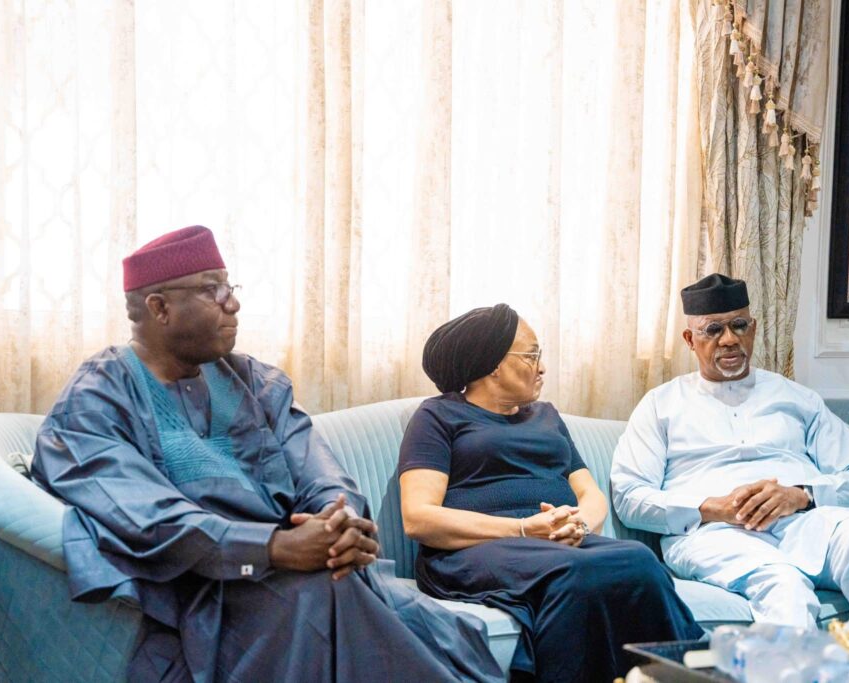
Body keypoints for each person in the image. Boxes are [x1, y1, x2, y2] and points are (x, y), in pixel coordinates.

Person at [30, 226, 503, 683]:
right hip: (206, 588)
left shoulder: (256, 382)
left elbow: (321, 473)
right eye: (211, 289)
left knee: (429, 624)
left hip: (309, 569)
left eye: (229, 287)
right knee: (330, 599)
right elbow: (142, 513)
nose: (233, 303)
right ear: (160, 307)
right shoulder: (99, 395)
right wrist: (272, 548)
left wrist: (338, 522)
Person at [398, 304, 702, 683]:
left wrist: (577, 525)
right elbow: (418, 517)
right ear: (493, 364)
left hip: (557, 545)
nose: (542, 367)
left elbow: (590, 494)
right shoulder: (438, 416)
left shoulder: (546, 417)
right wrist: (524, 529)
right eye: (531, 355)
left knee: (640, 560)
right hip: (475, 550)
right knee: (575, 573)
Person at [611, 274, 849, 629]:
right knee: (784, 586)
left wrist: (801, 495)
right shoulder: (661, 405)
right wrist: (712, 508)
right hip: (714, 535)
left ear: (753, 329)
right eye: (713, 330)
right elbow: (629, 496)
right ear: (690, 340)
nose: (729, 339)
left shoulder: (798, 398)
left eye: (739, 325)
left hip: (804, 523)